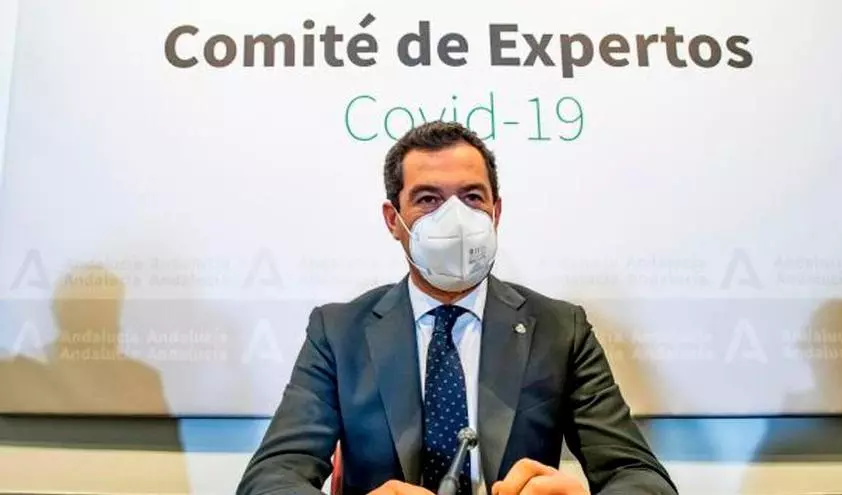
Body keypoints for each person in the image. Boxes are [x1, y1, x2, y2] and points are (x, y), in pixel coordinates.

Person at [237, 121, 677, 495]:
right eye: (428, 199)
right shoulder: (338, 332)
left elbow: (640, 477)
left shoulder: (561, 330)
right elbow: (271, 477)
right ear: (393, 220)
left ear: (496, 212)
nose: (455, 219)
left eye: (471, 197)